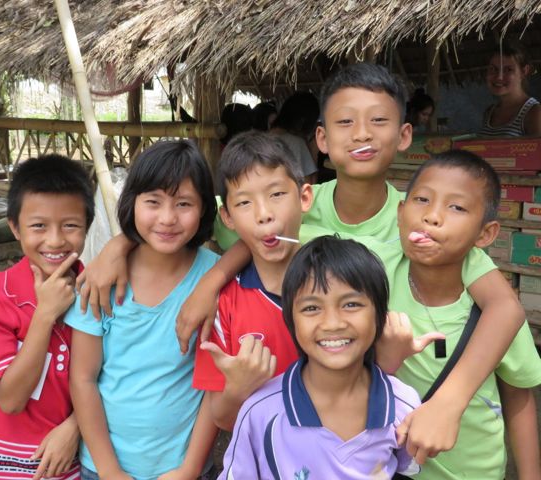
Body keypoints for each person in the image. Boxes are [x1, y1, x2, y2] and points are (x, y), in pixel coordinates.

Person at [78, 63, 525, 461]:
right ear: (321, 138)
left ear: (404, 134)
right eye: (345, 122)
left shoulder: (424, 221)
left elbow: (505, 307)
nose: (362, 134)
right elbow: (194, 220)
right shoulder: (292, 205)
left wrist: (449, 401)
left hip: (394, 429)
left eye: (378, 121)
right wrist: (125, 248)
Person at [66, 140, 219, 480]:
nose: (167, 218)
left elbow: (214, 384)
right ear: (132, 202)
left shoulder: (215, 279)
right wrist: (109, 471)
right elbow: (83, 378)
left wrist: (189, 469)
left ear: (205, 209)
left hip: (184, 468)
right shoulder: (101, 279)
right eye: (153, 201)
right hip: (103, 467)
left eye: (184, 204)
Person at [386, 150, 541, 479]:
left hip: (473, 472)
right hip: (388, 468)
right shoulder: (375, 272)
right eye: (422, 199)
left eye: (456, 207)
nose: (432, 216)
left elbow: (518, 395)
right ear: (400, 212)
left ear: (485, 234)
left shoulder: (490, 311)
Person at [220, 236, 421, 479]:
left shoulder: (404, 405)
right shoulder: (261, 412)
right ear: (291, 321)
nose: (332, 323)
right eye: (312, 308)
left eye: (351, 304)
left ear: (379, 315)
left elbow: (405, 465)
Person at [0, 154, 94, 479]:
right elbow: (10, 400)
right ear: (15, 227)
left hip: (68, 461)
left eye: (70, 225)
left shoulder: (97, 292)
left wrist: (75, 427)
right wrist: (45, 315)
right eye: (39, 226)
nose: (55, 240)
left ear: (87, 226)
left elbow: (114, 379)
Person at [192, 131, 314, 431]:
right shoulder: (222, 306)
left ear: (304, 198)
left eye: (277, 194)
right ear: (227, 217)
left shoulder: (338, 281)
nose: (264, 214)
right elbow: (221, 418)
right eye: (244, 202)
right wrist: (238, 387)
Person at [479, 40, 541, 137]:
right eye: (493, 69)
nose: (499, 77)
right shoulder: (489, 112)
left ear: (524, 71)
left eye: (508, 69)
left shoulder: (534, 112)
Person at [269, 91, 320, 182]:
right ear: (303, 121)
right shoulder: (296, 143)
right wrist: (314, 151)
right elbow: (309, 184)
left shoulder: (261, 139)